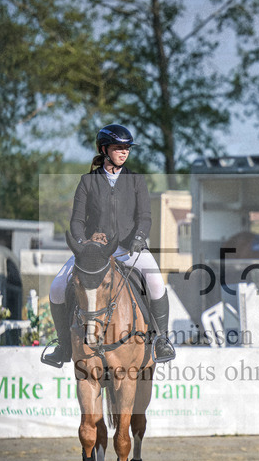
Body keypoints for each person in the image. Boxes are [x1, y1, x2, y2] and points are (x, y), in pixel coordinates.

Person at [42, 124, 175, 367]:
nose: (124, 152)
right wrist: (84, 245)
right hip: (95, 252)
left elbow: (145, 216)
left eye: (127, 148)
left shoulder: (136, 181)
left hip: (129, 249)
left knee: (156, 283)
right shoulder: (87, 182)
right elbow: (77, 221)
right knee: (57, 287)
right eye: (118, 148)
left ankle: (162, 340)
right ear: (104, 149)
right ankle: (62, 346)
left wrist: (139, 236)